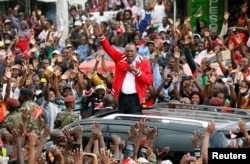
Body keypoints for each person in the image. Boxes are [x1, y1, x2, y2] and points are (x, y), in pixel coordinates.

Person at [93, 23, 153, 114]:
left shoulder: (144, 62)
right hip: (121, 97)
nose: (129, 53)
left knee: (134, 122)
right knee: (122, 122)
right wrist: (101, 36)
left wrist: (136, 71)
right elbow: (108, 48)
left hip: (135, 98)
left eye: (132, 51)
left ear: (136, 51)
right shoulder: (120, 58)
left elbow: (149, 81)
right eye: (127, 51)